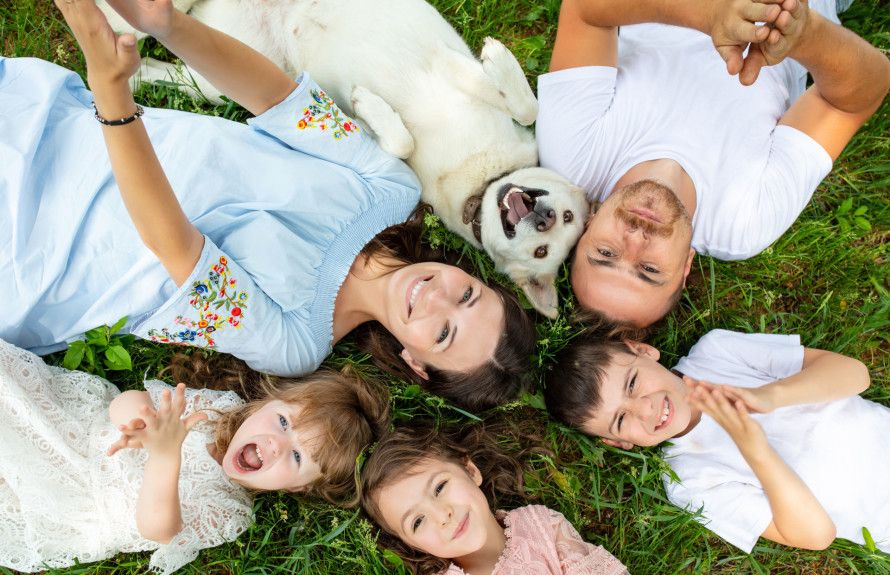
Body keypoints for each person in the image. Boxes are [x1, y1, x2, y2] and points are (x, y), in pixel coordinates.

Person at [0, 0, 536, 410]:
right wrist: (169, 24)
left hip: (36, 251)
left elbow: (172, 244)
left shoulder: (296, 343)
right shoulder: (390, 189)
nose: (436, 299)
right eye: (466, 295)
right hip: (56, 128)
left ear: (415, 363)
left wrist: (111, 91)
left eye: (443, 334)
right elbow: (277, 99)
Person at [536, 0, 890, 327]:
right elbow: (861, 92)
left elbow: (585, 11)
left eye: (606, 252)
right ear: (686, 265)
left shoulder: (574, 159)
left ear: (587, 224)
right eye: (648, 269)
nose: (636, 240)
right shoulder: (743, 221)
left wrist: (712, 14)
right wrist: (803, 35)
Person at [0, 337, 389, 574]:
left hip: (75, 499)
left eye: (298, 458)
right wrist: (136, 418)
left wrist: (165, 456)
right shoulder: (213, 411)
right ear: (265, 403)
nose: (275, 444)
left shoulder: (229, 511)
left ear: (298, 488)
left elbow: (157, 528)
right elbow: (126, 400)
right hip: (76, 427)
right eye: (284, 422)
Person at [544, 328, 890, 553]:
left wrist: (772, 396)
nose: (645, 410)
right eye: (621, 420)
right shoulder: (689, 483)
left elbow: (855, 375)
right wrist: (756, 452)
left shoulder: (717, 352)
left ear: (643, 350)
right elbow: (816, 536)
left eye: (633, 384)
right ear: (619, 443)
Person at [360, 423, 629, 575]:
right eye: (417, 521)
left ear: (470, 470)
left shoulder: (541, 526)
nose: (443, 516)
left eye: (440, 488)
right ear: (410, 544)